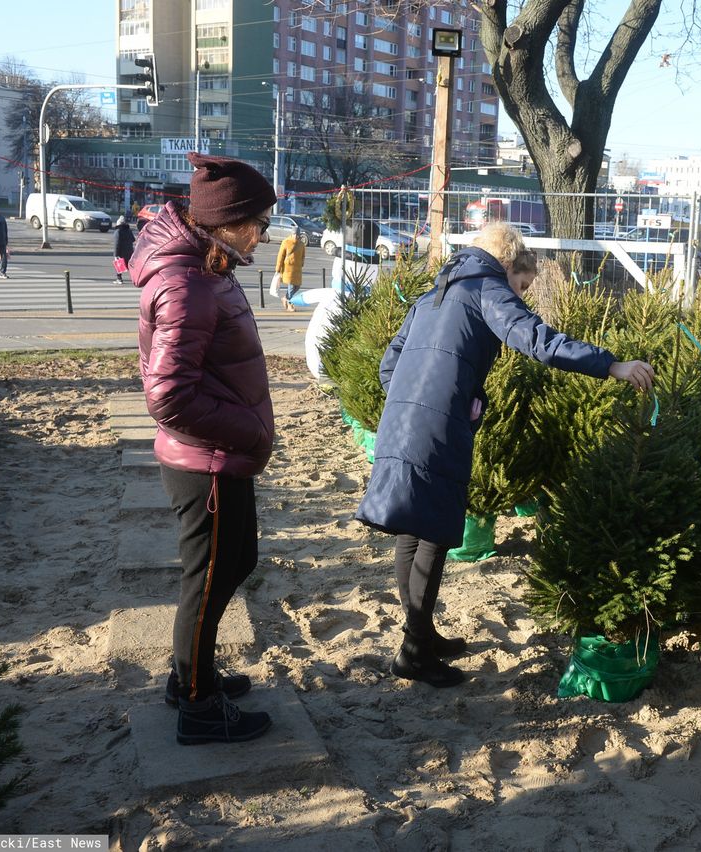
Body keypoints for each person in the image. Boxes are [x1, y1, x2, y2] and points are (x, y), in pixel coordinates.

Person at [355, 223, 656, 688]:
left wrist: (418, 399)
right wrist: (611, 365)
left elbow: (389, 364)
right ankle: (414, 653)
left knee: (414, 530)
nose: (520, 295)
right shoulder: (485, 286)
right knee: (432, 533)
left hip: (401, 422)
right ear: (508, 264)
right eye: (522, 286)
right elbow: (535, 339)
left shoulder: (434, 292)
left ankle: (421, 635)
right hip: (435, 426)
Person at [131, 152, 277, 745]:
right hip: (208, 460)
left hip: (221, 454)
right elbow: (167, 396)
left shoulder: (210, 265)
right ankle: (195, 702)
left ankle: (194, 672)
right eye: (261, 223)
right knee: (210, 577)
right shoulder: (188, 283)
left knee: (236, 562)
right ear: (230, 221)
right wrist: (246, 432)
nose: (266, 235)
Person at [275, 222, 305, 312]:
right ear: (292, 234)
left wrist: (302, 263)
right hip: (288, 269)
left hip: (297, 269)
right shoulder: (286, 242)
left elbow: (303, 255)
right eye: (294, 234)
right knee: (291, 287)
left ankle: (285, 298)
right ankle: (290, 304)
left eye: (297, 234)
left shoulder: (301, 244)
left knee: (297, 286)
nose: (295, 236)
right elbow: (280, 255)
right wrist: (278, 268)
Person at [113, 215, 135, 284]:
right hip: (129, 251)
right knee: (129, 266)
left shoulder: (118, 231)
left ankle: (119, 279)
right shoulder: (129, 230)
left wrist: (116, 254)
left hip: (121, 251)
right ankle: (135, 278)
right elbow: (133, 239)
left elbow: (117, 243)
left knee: (119, 265)